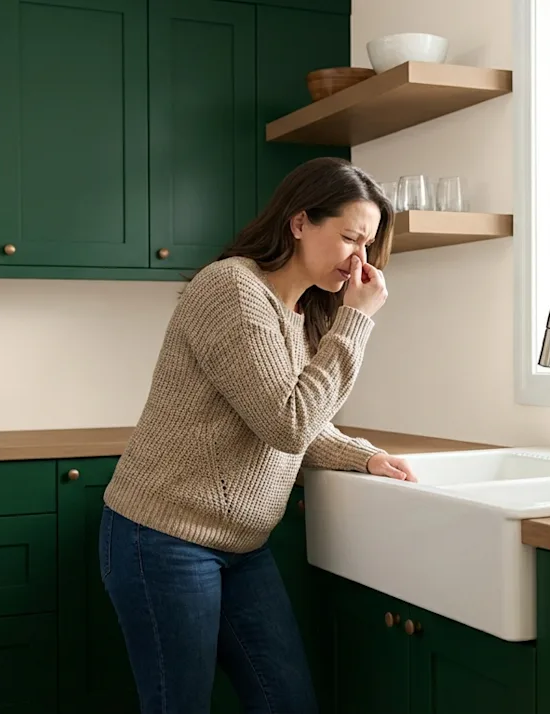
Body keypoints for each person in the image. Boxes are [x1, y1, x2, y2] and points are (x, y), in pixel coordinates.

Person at [99, 156, 417, 713]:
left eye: (367, 245)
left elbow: (297, 423)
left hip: (242, 548)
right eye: (348, 238)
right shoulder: (232, 289)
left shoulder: (296, 313)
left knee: (288, 704)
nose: (358, 260)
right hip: (164, 541)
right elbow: (288, 423)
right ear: (299, 223)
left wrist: (364, 457)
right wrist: (357, 321)